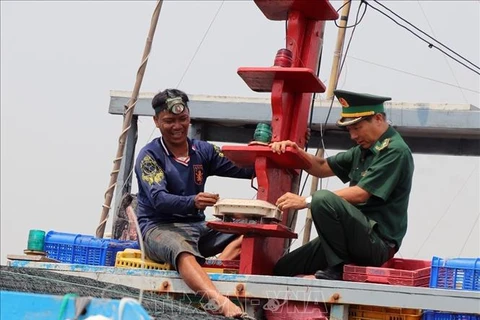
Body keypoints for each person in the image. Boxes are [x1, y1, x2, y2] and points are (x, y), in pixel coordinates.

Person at [270, 89, 414, 280]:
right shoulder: (363, 149)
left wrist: (305, 201)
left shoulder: (394, 150)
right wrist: (295, 152)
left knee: (321, 199)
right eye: (349, 130)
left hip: (376, 242)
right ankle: (336, 267)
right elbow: (322, 166)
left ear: (378, 118)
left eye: (357, 127)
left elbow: (361, 193)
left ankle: (338, 268)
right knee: (284, 268)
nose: (353, 136)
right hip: (351, 236)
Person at [134, 88, 254, 317]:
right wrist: (194, 201)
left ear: (189, 117)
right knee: (181, 250)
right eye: (169, 121)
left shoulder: (203, 150)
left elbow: (244, 166)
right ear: (157, 121)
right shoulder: (149, 156)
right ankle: (220, 302)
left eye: (183, 119)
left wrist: (274, 150)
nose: (177, 126)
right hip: (158, 228)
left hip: (198, 228)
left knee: (250, 228)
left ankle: (211, 272)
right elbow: (159, 200)